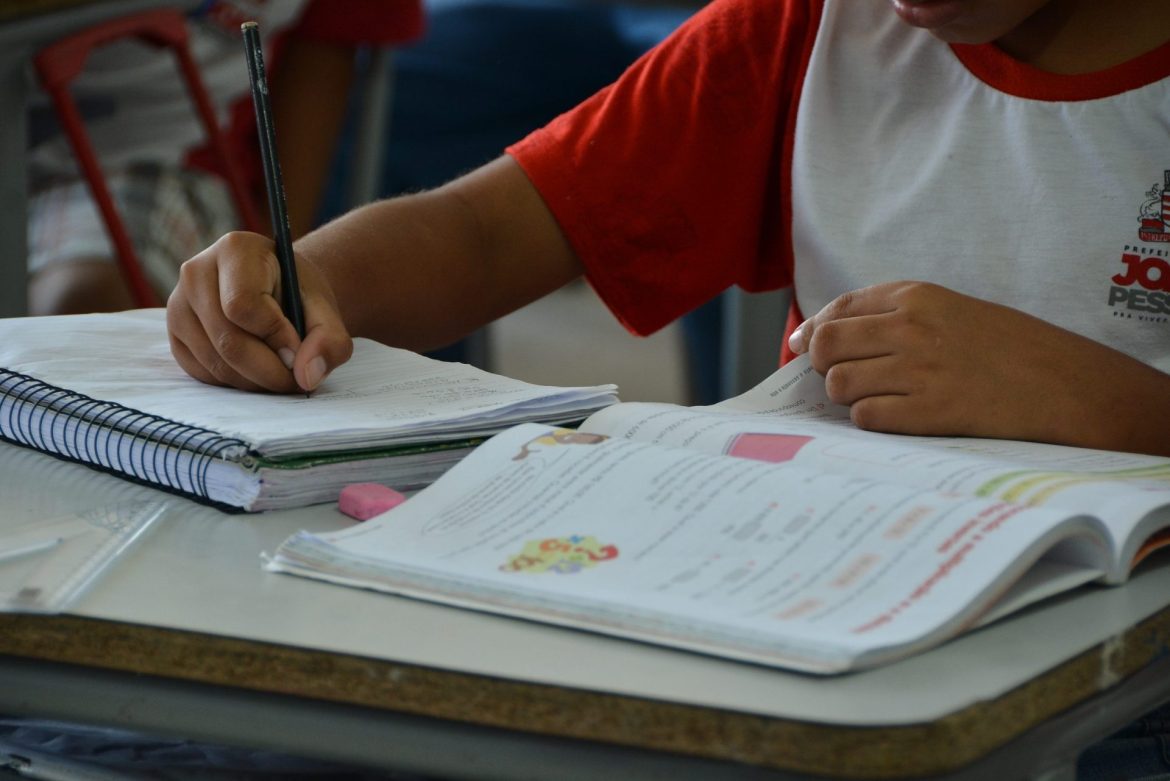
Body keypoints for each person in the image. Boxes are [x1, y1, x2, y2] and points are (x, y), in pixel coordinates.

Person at [167, 0, 1170, 460]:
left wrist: (1103, 405)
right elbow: (488, 230)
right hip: (846, 590)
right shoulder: (804, 27)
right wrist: (303, 280)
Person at [28, 0, 423, 315]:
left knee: (84, 301)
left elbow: (325, 51)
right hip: (30, 138)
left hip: (167, 161)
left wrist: (281, 252)